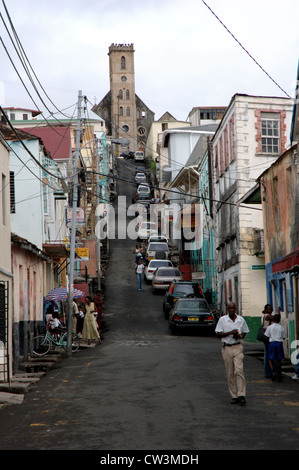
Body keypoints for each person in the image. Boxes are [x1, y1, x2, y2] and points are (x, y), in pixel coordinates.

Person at [215, 302, 250, 406]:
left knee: (239, 371)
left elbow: (245, 331)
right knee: (230, 372)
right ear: (227, 309)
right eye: (229, 308)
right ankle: (234, 395)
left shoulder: (240, 319)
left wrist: (239, 335)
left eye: (233, 308)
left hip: (238, 347)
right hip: (227, 348)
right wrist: (231, 332)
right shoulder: (222, 320)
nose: (231, 310)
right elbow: (218, 333)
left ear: (236, 308)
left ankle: (241, 395)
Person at [264, 314, 286, 382]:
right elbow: (284, 337)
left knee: (270, 358)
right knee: (279, 359)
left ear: (273, 320)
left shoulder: (270, 327)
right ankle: (279, 373)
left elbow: (267, 336)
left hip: (272, 343)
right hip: (279, 343)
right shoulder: (281, 328)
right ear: (279, 320)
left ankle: (273, 370)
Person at [262, 304, 280, 378]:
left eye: (271, 309)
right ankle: (270, 372)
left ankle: (269, 372)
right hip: (268, 338)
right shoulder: (267, 316)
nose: (270, 311)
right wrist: (278, 312)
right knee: (269, 356)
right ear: (265, 310)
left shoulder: (265, 316)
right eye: (269, 309)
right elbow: (276, 318)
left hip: (268, 337)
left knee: (268, 355)